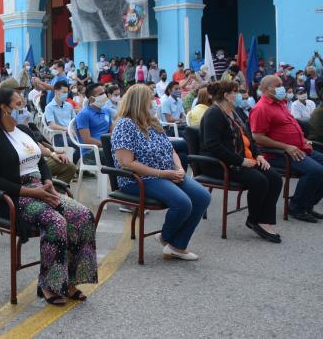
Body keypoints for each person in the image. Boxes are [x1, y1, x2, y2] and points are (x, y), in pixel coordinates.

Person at [0, 88, 97, 304]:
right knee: (56, 222)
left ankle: (68, 280)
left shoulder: (24, 131)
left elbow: (40, 161)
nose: (24, 110)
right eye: (18, 105)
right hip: (13, 196)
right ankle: (48, 285)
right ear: (4, 108)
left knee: (83, 215)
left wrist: (48, 181)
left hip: (40, 187)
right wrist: (33, 192)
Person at [111, 84, 210, 260]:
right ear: (141, 102)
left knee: (202, 196)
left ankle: (176, 245)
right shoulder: (125, 125)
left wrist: (179, 168)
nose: (154, 102)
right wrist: (162, 174)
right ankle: (167, 237)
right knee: (183, 203)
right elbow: (126, 162)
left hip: (167, 174)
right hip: (139, 179)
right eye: (150, 98)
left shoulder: (153, 122)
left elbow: (170, 150)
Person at [200, 81, 282, 242]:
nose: (238, 95)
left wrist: (257, 155)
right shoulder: (213, 114)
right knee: (260, 181)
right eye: (235, 92)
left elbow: (249, 136)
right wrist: (240, 161)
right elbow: (213, 146)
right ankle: (254, 220)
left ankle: (263, 220)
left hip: (244, 158)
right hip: (220, 164)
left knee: (275, 178)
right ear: (226, 95)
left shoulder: (234, 111)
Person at [249, 75, 323, 222]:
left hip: (299, 148)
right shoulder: (261, 108)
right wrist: (286, 147)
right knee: (316, 171)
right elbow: (257, 137)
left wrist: (303, 140)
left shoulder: (280, 103)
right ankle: (296, 207)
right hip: (279, 154)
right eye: (279, 85)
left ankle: (308, 204)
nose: (283, 87)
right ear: (268, 89)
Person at [75, 83, 113, 166]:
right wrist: (107, 145)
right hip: (91, 152)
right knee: (118, 156)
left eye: (104, 92)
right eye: (101, 94)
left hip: (106, 148)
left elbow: (112, 132)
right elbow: (87, 140)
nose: (104, 95)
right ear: (92, 99)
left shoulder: (106, 111)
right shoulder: (83, 114)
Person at [43, 81, 75, 147]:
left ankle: (76, 157)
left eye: (67, 92)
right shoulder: (49, 107)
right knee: (78, 145)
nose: (66, 94)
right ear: (56, 92)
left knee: (85, 143)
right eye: (64, 92)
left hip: (71, 133)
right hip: (59, 135)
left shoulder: (69, 105)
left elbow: (75, 119)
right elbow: (52, 125)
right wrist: (66, 128)